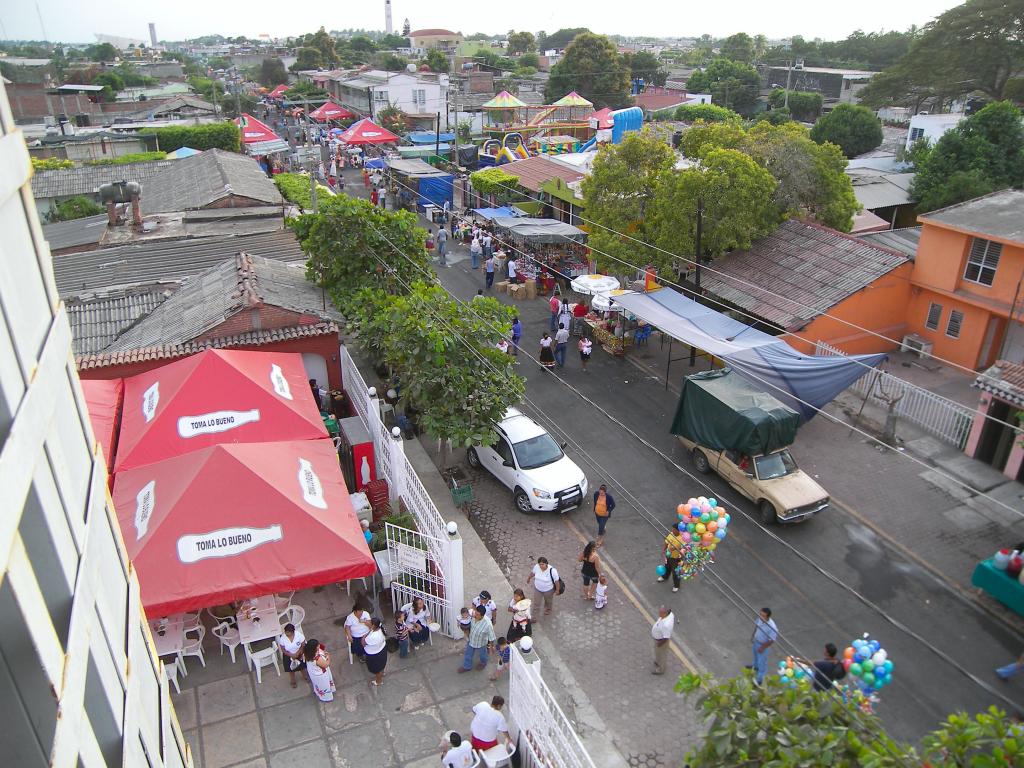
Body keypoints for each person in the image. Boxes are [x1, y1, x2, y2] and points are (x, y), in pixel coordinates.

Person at [459, 605, 495, 673]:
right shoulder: (472, 615)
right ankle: (467, 666)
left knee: (483, 655)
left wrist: (491, 647)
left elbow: (491, 637)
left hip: (481, 643)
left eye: (477, 615)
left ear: (482, 616)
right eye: (475, 613)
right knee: (468, 653)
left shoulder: (488, 624)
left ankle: (483, 663)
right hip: (471, 640)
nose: (475, 615)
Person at [748, 607, 778, 686]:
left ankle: (759, 680)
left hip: (763, 645)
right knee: (755, 657)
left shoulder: (772, 627)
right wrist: (753, 636)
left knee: (762, 663)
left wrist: (762, 647)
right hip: (756, 641)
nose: (760, 616)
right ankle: (755, 667)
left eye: (763, 615)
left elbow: (771, 640)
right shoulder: (760, 619)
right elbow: (756, 626)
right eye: (760, 614)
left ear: (768, 617)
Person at [278, 622, 306, 688]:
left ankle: (305, 676)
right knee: (291, 670)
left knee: (302, 667)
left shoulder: (299, 635)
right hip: (288, 655)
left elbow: (303, 645)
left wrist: (298, 653)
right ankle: (293, 681)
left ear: (293, 631)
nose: (286, 634)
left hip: (299, 653)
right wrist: (291, 655)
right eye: (286, 632)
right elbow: (283, 649)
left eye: (288, 632)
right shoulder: (283, 638)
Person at [362, 617, 388, 687]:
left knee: (377, 670)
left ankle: (378, 681)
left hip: (375, 655)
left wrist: (365, 635)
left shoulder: (373, 636)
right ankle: (382, 673)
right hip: (382, 650)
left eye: (370, 623)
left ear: (373, 626)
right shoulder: (380, 628)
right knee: (381, 665)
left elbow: (363, 643)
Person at [658, 528, 685, 593]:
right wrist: (663, 550)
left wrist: (675, 548)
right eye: (672, 529)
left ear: (678, 530)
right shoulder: (671, 534)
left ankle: (676, 586)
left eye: (674, 529)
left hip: (677, 558)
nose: (672, 530)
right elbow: (667, 542)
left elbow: (684, 548)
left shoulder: (682, 538)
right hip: (669, 555)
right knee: (667, 567)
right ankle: (664, 577)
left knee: (676, 572)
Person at [651, 606, 674, 675]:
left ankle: (661, 669)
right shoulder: (670, 615)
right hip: (659, 638)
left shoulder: (666, 625)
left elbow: (666, 638)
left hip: (661, 641)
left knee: (662, 654)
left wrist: (659, 644)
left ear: (665, 614)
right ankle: (658, 661)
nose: (659, 614)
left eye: (660, 613)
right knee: (658, 652)